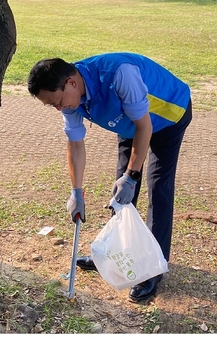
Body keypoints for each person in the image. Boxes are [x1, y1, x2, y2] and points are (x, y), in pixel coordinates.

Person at [27, 54, 193, 303]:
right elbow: (75, 144)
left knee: (157, 184)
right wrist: (76, 192)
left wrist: (132, 175)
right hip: (130, 119)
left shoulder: (120, 75)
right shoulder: (70, 99)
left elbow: (145, 127)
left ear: (71, 83)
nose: (59, 108)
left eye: (58, 102)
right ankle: (115, 253)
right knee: (120, 190)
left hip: (167, 115)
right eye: (53, 105)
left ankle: (152, 268)